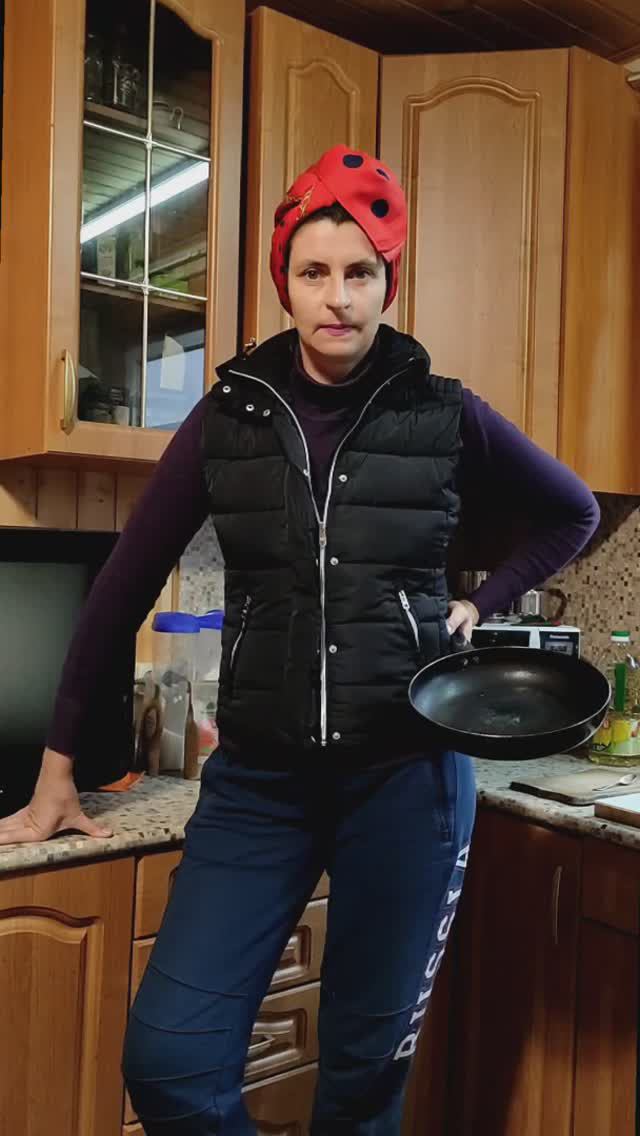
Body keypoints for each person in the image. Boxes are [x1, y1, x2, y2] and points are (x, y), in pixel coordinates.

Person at [0, 145, 599, 1134]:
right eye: (314, 271)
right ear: (283, 281)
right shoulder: (226, 417)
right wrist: (56, 768)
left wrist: (481, 602)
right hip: (259, 785)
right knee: (169, 1061)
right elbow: (118, 591)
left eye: (360, 272)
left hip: (407, 778)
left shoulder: (444, 413)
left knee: (360, 1087)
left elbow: (572, 510)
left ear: (388, 282)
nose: (338, 298)